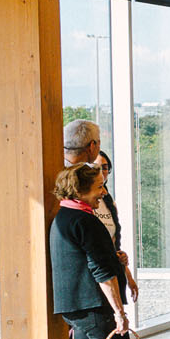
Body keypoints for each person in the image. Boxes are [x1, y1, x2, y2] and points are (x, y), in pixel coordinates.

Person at [49, 160, 132, 339]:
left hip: (75, 310)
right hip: (95, 308)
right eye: (98, 187)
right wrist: (119, 313)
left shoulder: (63, 218)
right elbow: (102, 273)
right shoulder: (86, 222)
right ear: (79, 190)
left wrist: (114, 257)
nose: (103, 193)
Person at [61, 119, 139, 303]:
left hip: (101, 283)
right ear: (92, 146)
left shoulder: (103, 197)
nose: (101, 191)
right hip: (85, 291)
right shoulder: (67, 181)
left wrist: (123, 269)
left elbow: (110, 239)